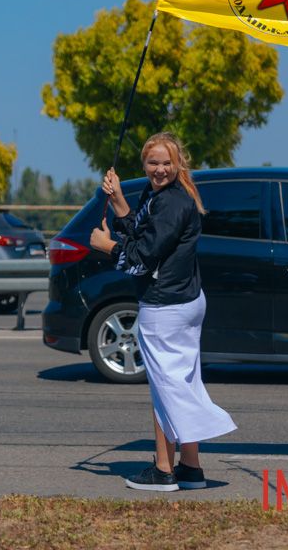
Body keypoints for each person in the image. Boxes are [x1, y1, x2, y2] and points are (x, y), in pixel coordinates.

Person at [89, 131, 236, 492]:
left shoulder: (171, 203)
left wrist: (107, 248)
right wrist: (120, 201)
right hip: (184, 301)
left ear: (178, 163)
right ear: (144, 164)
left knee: (166, 387)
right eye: (152, 163)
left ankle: (163, 469)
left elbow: (141, 259)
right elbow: (142, 232)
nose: (159, 169)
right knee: (182, 380)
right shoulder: (160, 197)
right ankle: (190, 467)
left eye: (166, 163)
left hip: (165, 305)